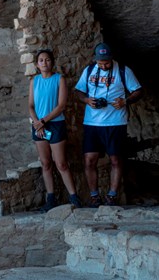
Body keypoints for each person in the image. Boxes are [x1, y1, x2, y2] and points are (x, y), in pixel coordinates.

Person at [75, 43, 142, 207]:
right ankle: (94, 197)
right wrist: (86, 100)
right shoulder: (89, 70)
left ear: (112, 58)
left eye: (106, 63)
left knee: (116, 160)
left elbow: (138, 91)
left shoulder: (123, 71)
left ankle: (112, 196)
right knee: (89, 160)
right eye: (100, 63)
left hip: (115, 122)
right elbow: (78, 91)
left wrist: (125, 101)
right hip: (92, 122)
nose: (103, 65)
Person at [28, 49, 81, 211]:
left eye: (48, 60)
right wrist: (37, 122)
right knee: (45, 163)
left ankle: (74, 197)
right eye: (41, 60)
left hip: (54, 124)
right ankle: (51, 198)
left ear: (52, 62)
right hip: (38, 125)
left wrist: (44, 121)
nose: (45, 63)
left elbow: (61, 106)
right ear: (37, 65)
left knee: (61, 163)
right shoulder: (34, 81)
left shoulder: (59, 79)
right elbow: (30, 105)